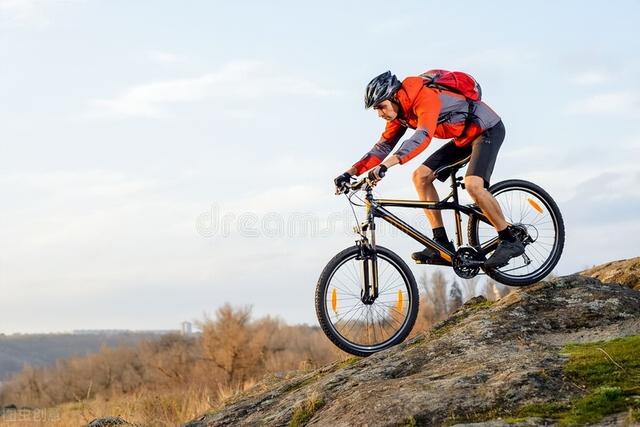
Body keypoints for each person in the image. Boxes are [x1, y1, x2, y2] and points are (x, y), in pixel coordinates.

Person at [334, 70, 524, 269]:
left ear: (394, 97)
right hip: (463, 139)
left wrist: (386, 166)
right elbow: (382, 147)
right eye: (376, 109)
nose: (380, 114)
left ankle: (509, 239)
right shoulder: (400, 114)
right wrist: (350, 172)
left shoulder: (425, 97)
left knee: (473, 185)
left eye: (381, 107)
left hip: (487, 130)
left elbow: (422, 136)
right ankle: (440, 244)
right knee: (420, 177)